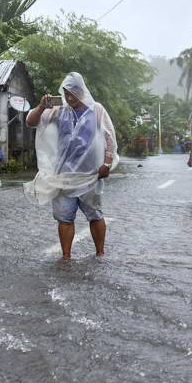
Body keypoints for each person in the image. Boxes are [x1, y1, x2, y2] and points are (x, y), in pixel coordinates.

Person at [24, 72, 117, 260]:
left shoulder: (97, 109)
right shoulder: (59, 109)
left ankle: (100, 254)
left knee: (96, 215)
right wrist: (42, 106)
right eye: (66, 93)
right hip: (64, 176)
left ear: (82, 90)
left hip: (91, 176)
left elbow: (110, 138)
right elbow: (30, 122)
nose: (68, 97)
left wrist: (107, 163)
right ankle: (66, 257)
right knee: (64, 218)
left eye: (72, 93)